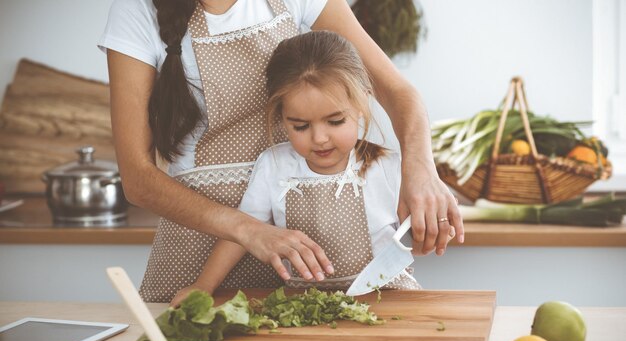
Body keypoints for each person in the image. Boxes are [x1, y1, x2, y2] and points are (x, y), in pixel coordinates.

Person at [99, 0, 464, 303]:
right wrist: (250, 230)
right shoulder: (136, 8)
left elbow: (398, 91)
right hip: (200, 252)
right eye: (303, 126)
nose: (319, 137)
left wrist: (421, 169)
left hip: (307, 251)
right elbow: (138, 178)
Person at [171, 30, 456, 306]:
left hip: (390, 302)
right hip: (305, 307)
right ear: (281, 116)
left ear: (361, 103)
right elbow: (241, 235)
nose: (319, 138)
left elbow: (416, 238)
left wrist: (429, 232)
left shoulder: (390, 167)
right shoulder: (274, 166)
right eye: (301, 126)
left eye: (335, 121)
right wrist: (202, 286)